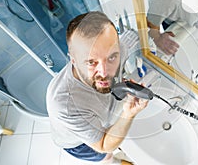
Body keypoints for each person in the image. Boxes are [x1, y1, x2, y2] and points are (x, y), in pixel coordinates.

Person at [46, 11, 148, 164]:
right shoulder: (64, 103)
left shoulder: (117, 48)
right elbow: (102, 145)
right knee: (106, 156)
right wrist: (128, 115)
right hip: (77, 143)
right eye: (91, 62)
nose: (105, 72)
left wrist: (159, 38)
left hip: (100, 118)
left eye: (111, 57)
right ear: (74, 60)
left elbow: (132, 37)